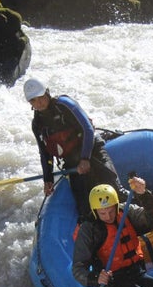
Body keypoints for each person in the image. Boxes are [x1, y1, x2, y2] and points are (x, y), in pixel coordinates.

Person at [24, 77, 125, 218]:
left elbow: (88, 129)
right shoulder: (37, 124)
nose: (38, 103)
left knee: (116, 191)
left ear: (47, 93)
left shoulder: (65, 105)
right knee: (84, 207)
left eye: (40, 97)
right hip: (72, 161)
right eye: (33, 100)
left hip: (92, 150)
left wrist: (85, 158)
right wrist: (48, 180)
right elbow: (45, 153)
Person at [72, 178, 153, 287]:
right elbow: (78, 269)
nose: (108, 216)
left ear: (116, 205)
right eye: (102, 213)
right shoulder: (89, 230)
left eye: (111, 211)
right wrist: (96, 278)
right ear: (95, 211)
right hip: (113, 283)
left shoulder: (127, 211)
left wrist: (144, 195)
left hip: (137, 274)